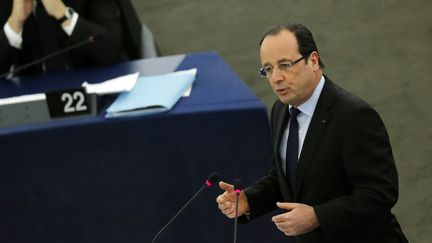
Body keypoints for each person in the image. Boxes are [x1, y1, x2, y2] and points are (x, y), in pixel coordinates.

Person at [216, 23, 408, 243]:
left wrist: (318, 216)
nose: (276, 78)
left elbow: (380, 192)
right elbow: (288, 176)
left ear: (313, 61)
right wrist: (249, 200)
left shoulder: (354, 117)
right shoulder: (281, 110)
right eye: (268, 69)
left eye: (285, 65)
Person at [0, 0, 126, 76]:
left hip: (97, 84)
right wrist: (15, 23)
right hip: (31, 96)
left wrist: (64, 15)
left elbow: (112, 50)